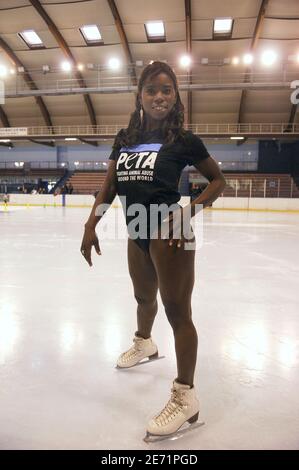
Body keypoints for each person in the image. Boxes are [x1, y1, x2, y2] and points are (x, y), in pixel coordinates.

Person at [80, 61, 226, 438]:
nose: (159, 96)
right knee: (144, 299)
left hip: (170, 232)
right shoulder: (125, 137)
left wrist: (188, 211)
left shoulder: (184, 140)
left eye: (167, 90)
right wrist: (91, 223)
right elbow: (110, 186)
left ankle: (185, 396)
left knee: (178, 313)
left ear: (175, 96)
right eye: (151, 90)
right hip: (136, 230)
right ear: (140, 96)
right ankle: (144, 343)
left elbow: (218, 181)